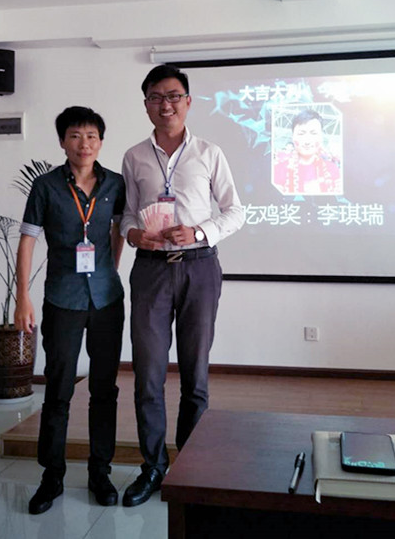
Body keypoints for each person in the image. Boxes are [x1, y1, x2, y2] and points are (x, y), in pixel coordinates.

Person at [120, 65, 244, 507]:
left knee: (195, 375)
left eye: (173, 96)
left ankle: (189, 469)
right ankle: (153, 467)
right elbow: (128, 214)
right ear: (146, 105)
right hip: (150, 271)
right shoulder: (134, 156)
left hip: (199, 268)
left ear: (188, 102)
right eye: (156, 97)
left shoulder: (209, 152)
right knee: (148, 375)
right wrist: (135, 235)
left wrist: (200, 231)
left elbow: (235, 211)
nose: (165, 104)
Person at [14, 106, 126, 515]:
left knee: (104, 389)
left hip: (107, 300)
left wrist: (110, 269)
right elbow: (27, 240)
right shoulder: (45, 186)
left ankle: (100, 471)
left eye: (92, 136)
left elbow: (118, 230)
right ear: (63, 141)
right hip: (62, 299)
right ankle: (52, 475)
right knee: (59, 388)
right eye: (76, 136)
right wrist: (22, 297)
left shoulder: (115, 183)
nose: (85, 144)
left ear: (101, 142)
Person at [273, 109, 342, 195]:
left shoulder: (332, 169)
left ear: (321, 137)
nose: (307, 141)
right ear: (293, 137)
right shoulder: (278, 170)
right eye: (301, 134)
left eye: (313, 133)